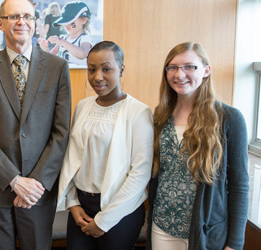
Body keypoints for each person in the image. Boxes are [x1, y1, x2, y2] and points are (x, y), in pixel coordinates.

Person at [0, 0, 72, 250]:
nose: (21, 22)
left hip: (39, 190)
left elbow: (61, 132)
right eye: (13, 16)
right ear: (0, 22)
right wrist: (15, 181)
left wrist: (34, 184)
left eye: (27, 16)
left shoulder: (57, 67)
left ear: (35, 22)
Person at [147, 42, 249, 250]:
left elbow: (239, 185)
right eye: (172, 67)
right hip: (162, 227)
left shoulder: (229, 118)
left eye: (189, 67)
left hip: (207, 232)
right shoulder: (159, 116)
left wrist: (236, 243)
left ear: (206, 70)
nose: (179, 74)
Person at [58, 41, 154, 250]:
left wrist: (104, 220)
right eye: (91, 69)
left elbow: (140, 173)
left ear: (121, 69)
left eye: (106, 69)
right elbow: (72, 158)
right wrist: (73, 203)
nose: (97, 76)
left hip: (120, 209)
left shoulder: (139, 112)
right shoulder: (83, 106)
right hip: (82, 207)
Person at [39, 0, 93, 68]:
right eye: (65, 21)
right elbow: (51, 59)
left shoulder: (85, 39)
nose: (67, 24)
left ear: (84, 20)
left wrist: (62, 42)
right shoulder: (63, 38)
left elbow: (82, 54)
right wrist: (46, 49)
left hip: (79, 76)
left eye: (71, 21)